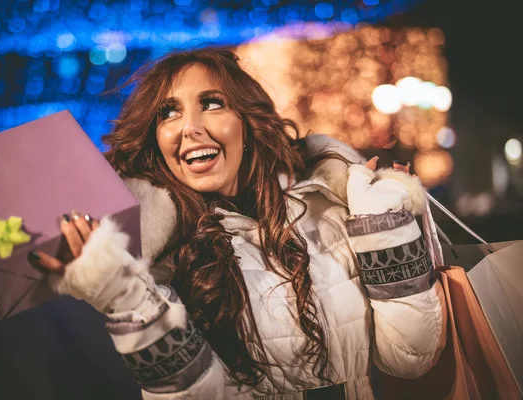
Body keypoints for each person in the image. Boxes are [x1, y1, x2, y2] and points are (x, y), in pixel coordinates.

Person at [29, 49, 447, 400]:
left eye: (212, 103)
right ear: (156, 139)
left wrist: (383, 223)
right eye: (168, 113)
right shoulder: (162, 254)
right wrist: (125, 299)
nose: (190, 128)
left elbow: (411, 359)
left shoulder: (331, 203)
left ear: (247, 121)